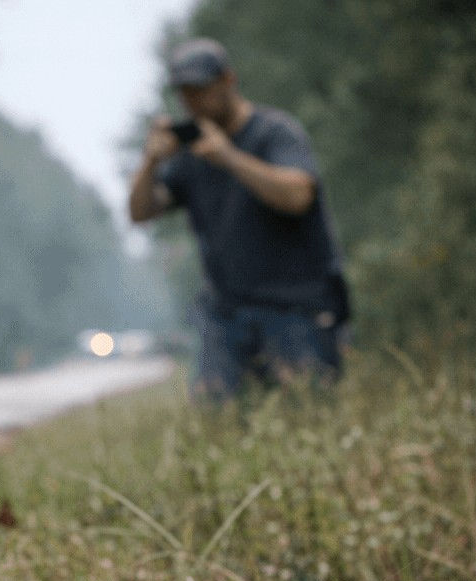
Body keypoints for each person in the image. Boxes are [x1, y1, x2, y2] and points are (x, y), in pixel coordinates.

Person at [129, 38, 348, 399]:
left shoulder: (275, 132)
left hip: (296, 307)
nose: (193, 101)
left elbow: (298, 196)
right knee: (216, 423)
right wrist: (150, 162)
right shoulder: (190, 154)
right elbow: (140, 212)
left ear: (228, 81)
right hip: (227, 313)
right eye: (184, 92)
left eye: (201, 89)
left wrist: (229, 157)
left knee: (307, 414)